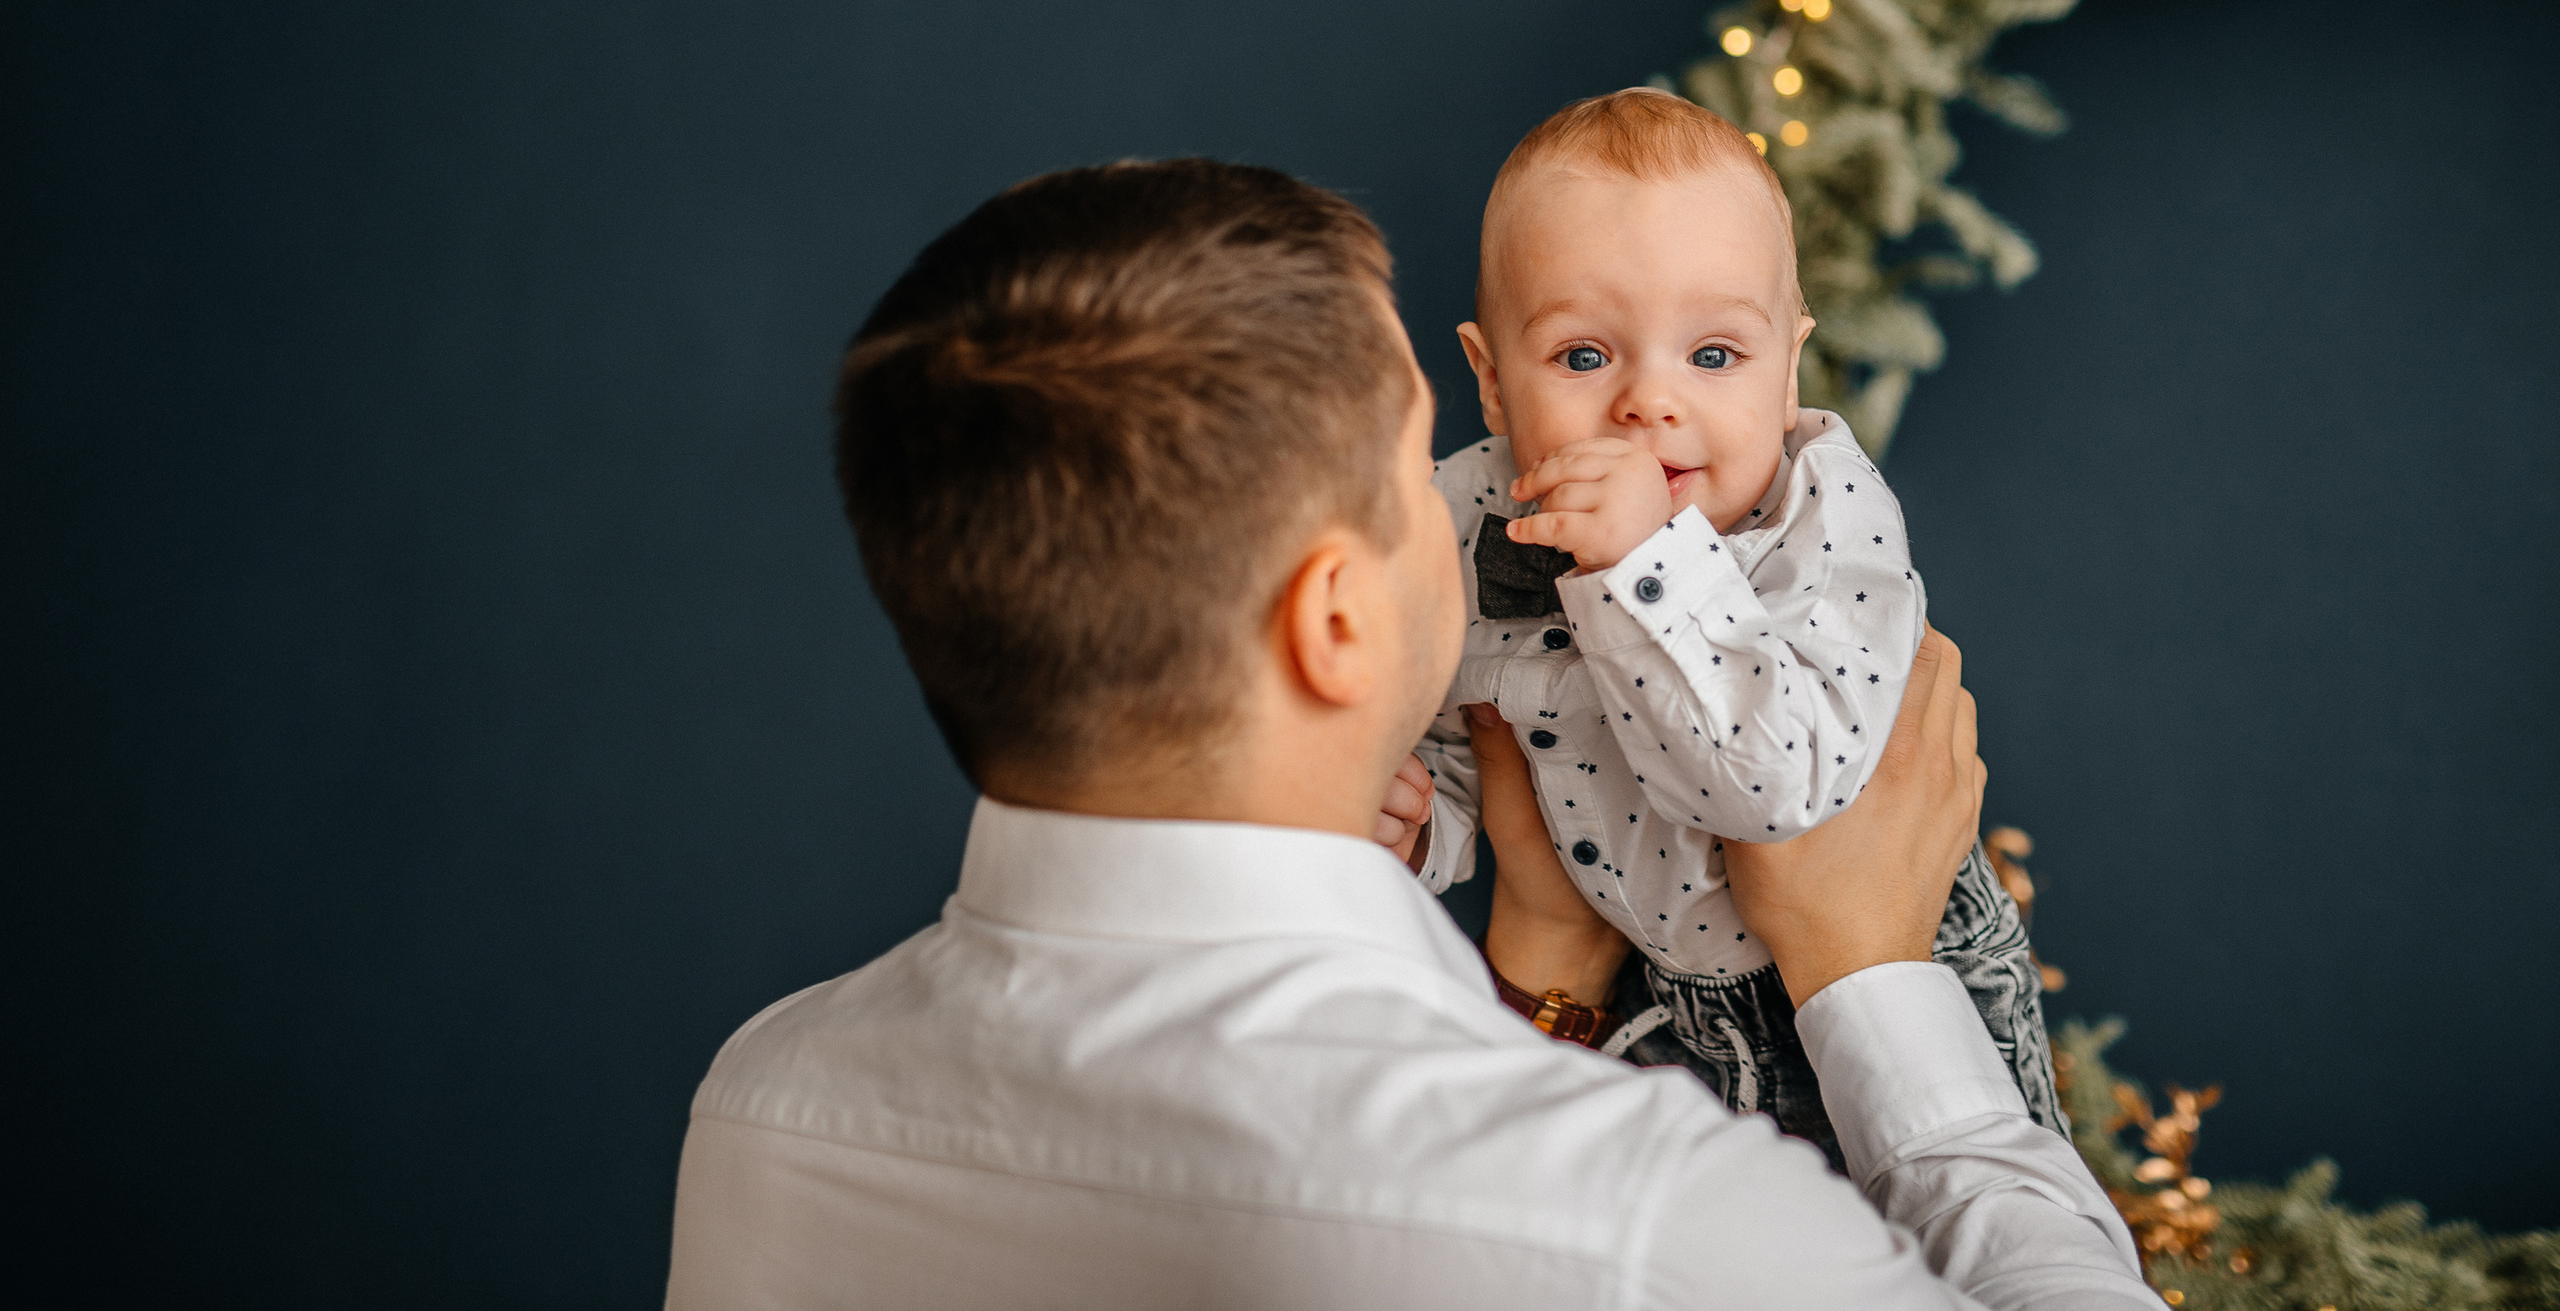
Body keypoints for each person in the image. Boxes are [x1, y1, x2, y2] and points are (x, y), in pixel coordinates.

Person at [663, 158, 2149, 1308]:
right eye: (1414, 470)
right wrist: (1871, 978)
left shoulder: (764, 1108)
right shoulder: (1643, 1221)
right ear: (1338, 618)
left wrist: (1542, 972)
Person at [1394, 87, 2055, 1164]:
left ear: (1788, 368)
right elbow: (1477, 740)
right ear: (1492, 382)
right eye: (1582, 357)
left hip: (1887, 976)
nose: (1649, 404)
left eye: (1712, 356)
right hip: (1656, 1000)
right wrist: (1422, 826)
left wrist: (1642, 565)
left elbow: (1774, 792)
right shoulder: (1465, 518)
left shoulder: (1825, 518)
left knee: (1935, 1235)